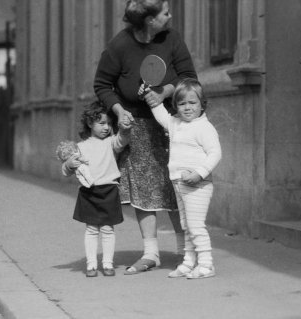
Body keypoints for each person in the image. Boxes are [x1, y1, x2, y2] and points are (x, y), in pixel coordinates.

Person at [94, 0, 198, 275]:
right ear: (150, 20)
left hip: (174, 124)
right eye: (165, 12)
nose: (170, 15)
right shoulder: (119, 45)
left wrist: (164, 93)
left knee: (177, 184)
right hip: (137, 126)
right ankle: (151, 253)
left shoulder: (172, 39)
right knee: (143, 189)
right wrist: (118, 110)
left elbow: (189, 77)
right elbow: (102, 84)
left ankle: (185, 251)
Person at [141, 78, 222, 279]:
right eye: (182, 103)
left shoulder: (204, 127)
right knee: (186, 225)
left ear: (202, 104)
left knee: (196, 226)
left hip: (198, 185)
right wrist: (148, 95)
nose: (187, 108)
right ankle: (188, 262)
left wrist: (199, 173)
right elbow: (160, 113)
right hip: (179, 183)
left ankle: (206, 264)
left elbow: (215, 153)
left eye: (192, 103)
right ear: (176, 105)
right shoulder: (175, 123)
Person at [60, 101, 132, 277]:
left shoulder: (111, 143)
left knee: (108, 229)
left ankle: (108, 264)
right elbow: (66, 171)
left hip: (109, 190)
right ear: (90, 124)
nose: (106, 127)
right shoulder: (80, 147)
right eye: (101, 123)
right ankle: (91, 265)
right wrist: (69, 164)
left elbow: (122, 140)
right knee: (91, 229)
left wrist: (125, 128)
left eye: (109, 123)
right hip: (89, 191)